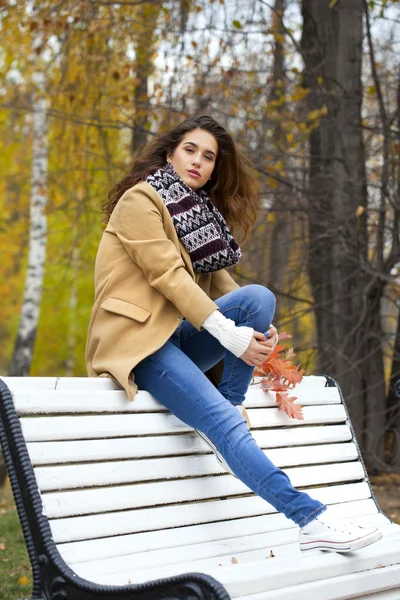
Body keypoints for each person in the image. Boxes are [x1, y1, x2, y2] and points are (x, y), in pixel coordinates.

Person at [85, 114, 382, 553]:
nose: (198, 162)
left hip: (175, 337)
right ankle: (310, 518)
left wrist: (257, 329)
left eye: (208, 157)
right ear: (170, 153)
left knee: (258, 298)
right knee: (226, 424)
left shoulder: (197, 216)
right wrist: (231, 336)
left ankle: (229, 404)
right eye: (190, 150)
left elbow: (226, 287)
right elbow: (170, 277)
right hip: (138, 343)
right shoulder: (141, 201)